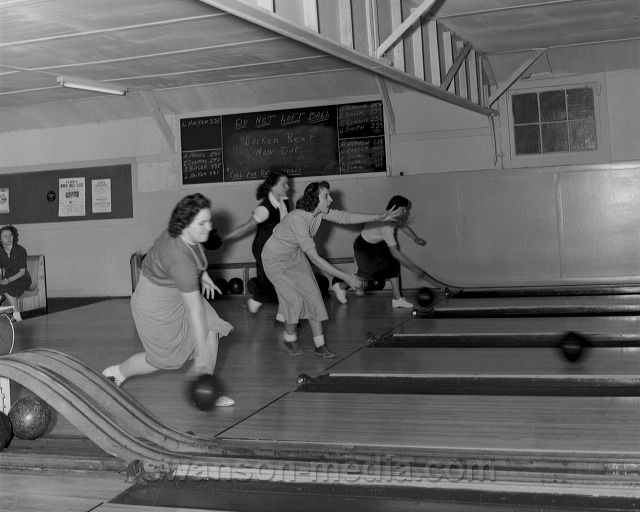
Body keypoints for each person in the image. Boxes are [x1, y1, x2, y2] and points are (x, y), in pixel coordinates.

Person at [103, 194, 235, 407]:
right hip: (154, 304)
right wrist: (200, 353)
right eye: (202, 223)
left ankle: (204, 388)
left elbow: (192, 257)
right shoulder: (179, 258)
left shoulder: (183, 235)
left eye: (209, 220)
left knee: (213, 326)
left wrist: (203, 275)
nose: (209, 227)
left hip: (177, 291)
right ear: (185, 224)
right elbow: (195, 311)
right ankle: (116, 373)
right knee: (164, 361)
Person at [262, 181, 403, 359]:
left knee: (313, 295)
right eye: (326, 196)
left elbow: (346, 217)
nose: (331, 199)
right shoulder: (298, 219)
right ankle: (289, 338)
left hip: (294, 256)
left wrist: (378, 217)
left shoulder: (319, 213)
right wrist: (346, 277)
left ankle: (319, 346)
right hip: (274, 260)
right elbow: (315, 259)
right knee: (294, 301)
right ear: (315, 199)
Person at [333, 195, 429, 308]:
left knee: (392, 263)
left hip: (377, 245)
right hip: (364, 248)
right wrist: (414, 269)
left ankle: (397, 299)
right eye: (403, 209)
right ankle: (341, 286)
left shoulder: (392, 218)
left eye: (406, 209)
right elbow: (395, 253)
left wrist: (415, 238)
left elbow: (403, 225)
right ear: (395, 208)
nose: (405, 212)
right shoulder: (386, 226)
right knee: (366, 281)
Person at [223, 171, 290, 316]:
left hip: (278, 249)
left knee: (283, 281)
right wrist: (226, 237)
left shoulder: (285, 202)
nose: (287, 187)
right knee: (277, 281)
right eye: (283, 184)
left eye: (287, 183)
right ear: (273, 186)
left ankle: (257, 304)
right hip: (265, 250)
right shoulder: (265, 208)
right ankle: (277, 312)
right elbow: (247, 226)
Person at [0, 225, 31, 323]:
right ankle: (12, 314)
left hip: (22, 279)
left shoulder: (20, 250)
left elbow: (22, 272)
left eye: (10, 236)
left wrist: (8, 280)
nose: (9, 238)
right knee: (4, 286)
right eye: (5, 236)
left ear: (14, 237)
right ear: (0, 239)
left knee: (6, 287)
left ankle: (16, 314)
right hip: (8, 277)